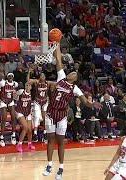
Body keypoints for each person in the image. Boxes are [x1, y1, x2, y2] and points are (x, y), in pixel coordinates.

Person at [42, 45, 101, 180]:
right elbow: (58, 60)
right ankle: (49, 164)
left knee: (61, 142)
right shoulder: (61, 77)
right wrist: (56, 44)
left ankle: (61, 168)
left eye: (74, 73)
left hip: (62, 115)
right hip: (51, 113)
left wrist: (93, 104)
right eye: (71, 72)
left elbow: (85, 102)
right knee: (50, 140)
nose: (71, 73)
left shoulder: (75, 89)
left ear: (75, 78)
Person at [28, 72, 52, 142]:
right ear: (39, 77)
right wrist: (29, 72)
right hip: (37, 101)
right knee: (37, 117)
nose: (42, 76)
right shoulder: (36, 82)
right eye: (41, 75)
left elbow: (56, 83)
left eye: (44, 75)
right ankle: (35, 134)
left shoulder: (48, 83)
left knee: (45, 117)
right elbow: (28, 80)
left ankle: (45, 133)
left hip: (44, 101)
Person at [0, 73, 18, 147]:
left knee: (13, 117)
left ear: (13, 77)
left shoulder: (15, 84)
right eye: (9, 76)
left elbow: (16, 92)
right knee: (4, 117)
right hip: (3, 100)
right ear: (7, 77)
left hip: (11, 101)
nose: (10, 77)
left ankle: (13, 135)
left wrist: (16, 95)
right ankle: (1, 136)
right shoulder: (3, 83)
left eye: (12, 76)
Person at [15, 82, 35, 152]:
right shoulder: (21, 92)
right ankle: (19, 145)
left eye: (29, 85)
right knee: (25, 127)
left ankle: (29, 144)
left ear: (31, 87)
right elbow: (14, 94)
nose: (28, 87)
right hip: (20, 112)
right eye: (26, 85)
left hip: (28, 113)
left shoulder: (31, 94)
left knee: (30, 129)